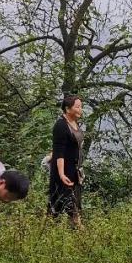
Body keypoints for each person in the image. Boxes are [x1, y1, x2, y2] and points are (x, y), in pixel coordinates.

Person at [48, 95, 85, 225]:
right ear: (68, 109)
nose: (81, 109)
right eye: (78, 107)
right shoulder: (61, 125)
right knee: (59, 205)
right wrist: (61, 174)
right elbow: (59, 153)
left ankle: (75, 231)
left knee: (74, 204)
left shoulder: (75, 122)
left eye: (81, 106)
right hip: (64, 171)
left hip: (75, 170)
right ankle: (54, 232)